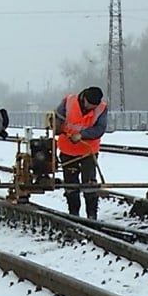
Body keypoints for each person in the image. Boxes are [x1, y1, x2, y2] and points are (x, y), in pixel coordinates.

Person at [53, 86, 108, 219]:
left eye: (94, 106)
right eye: (90, 105)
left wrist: (82, 135)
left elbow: (100, 129)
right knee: (71, 185)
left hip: (88, 152)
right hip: (68, 150)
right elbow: (57, 119)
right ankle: (74, 214)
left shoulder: (101, 108)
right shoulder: (68, 102)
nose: (92, 108)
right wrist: (56, 127)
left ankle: (91, 215)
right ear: (84, 99)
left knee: (89, 184)